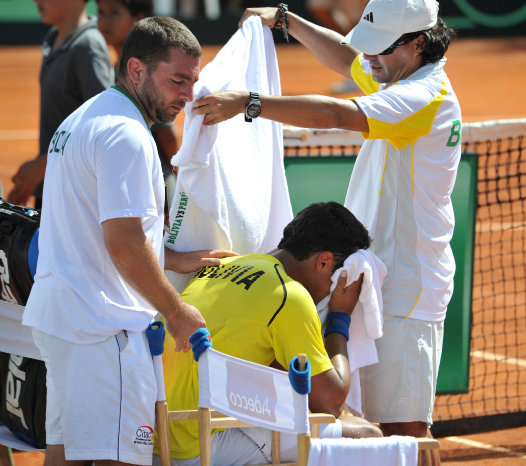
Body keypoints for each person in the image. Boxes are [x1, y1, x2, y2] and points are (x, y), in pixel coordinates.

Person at [192, 1, 461, 464]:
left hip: (406, 294)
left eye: (381, 48)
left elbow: (338, 114)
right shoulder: (398, 70)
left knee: (404, 431)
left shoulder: (423, 96)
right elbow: (347, 58)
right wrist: (285, 18)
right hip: (371, 281)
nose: (369, 59)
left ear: (418, 44)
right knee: (355, 421)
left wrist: (249, 102)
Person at [22, 17, 235, 466]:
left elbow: (93, 225)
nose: (188, 95)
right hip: (102, 326)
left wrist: (170, 258)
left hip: (63, 320)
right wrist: (176, 312)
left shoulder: (86, 117)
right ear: (136, 70)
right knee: (121, 458)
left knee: (67, 453)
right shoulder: (127, 135)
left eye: (192, 81)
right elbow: (121, 241)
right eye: (177, 80)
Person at [155, 202, 383, 466]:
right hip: (195, 445)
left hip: (153, 435)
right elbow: (329, 403)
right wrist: (339, 318)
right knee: (367, 436)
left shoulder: (226, 263)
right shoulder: (289, 295)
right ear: (324, 262)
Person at [8, 0, 113, 209]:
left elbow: (106, 124)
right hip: (54, 180)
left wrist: (42, 166)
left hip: (75, 193)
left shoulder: (88, 46)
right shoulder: (54, 38)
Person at [97, 0, 180, 212]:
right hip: (134, 181)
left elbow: (166, 134)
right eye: (101, 12)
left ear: (138, 19)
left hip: (154, 184)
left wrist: (180, 183)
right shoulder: (120, 66)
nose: (104, 21)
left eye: (114, 13)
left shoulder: (141, 70)